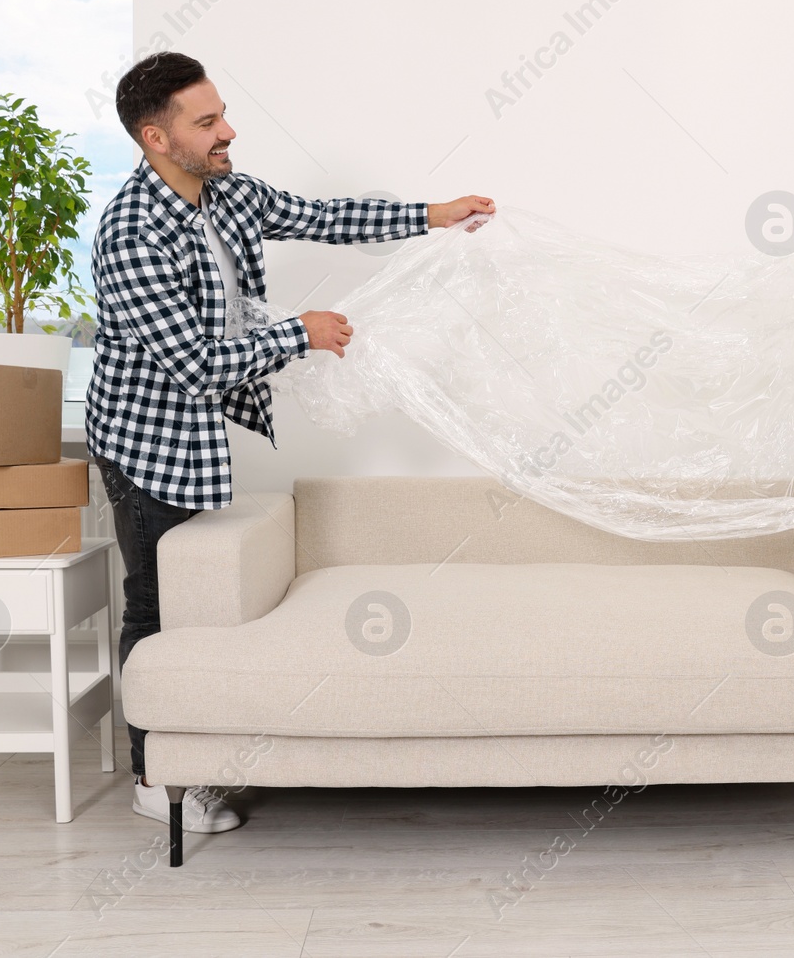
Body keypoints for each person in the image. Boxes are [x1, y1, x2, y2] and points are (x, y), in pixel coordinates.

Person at [87, 51, 494, 834]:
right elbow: (198, 365)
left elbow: (322, 216)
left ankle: (193, 750)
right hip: (143, 439)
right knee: (157, 600)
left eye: (221, 113)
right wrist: (299, 333)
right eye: (206, 122)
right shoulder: (132, 233)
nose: (227, 130)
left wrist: (432, 213)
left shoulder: (227, 193)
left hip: (194, 432)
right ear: (155, 137)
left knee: (195, 596)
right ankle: (155, 773)